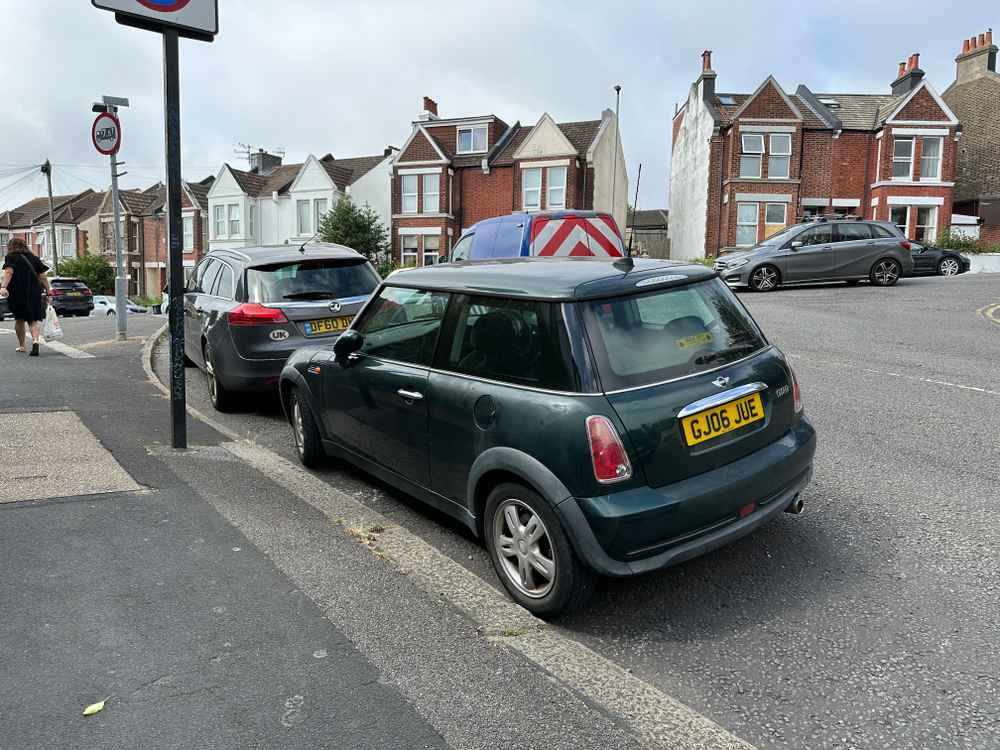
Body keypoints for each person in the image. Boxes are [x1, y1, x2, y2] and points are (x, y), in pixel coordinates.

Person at [0, 237, 52, 357]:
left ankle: (22, 345)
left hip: (17, 292)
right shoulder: (34, 258)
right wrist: (48, 291)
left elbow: (9, 272)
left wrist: (3, 287)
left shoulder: (11, 257)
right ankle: (35, 341)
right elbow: (43, 276)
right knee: (33, 319)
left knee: (19, 319)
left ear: (10, 247)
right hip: (34, 292)